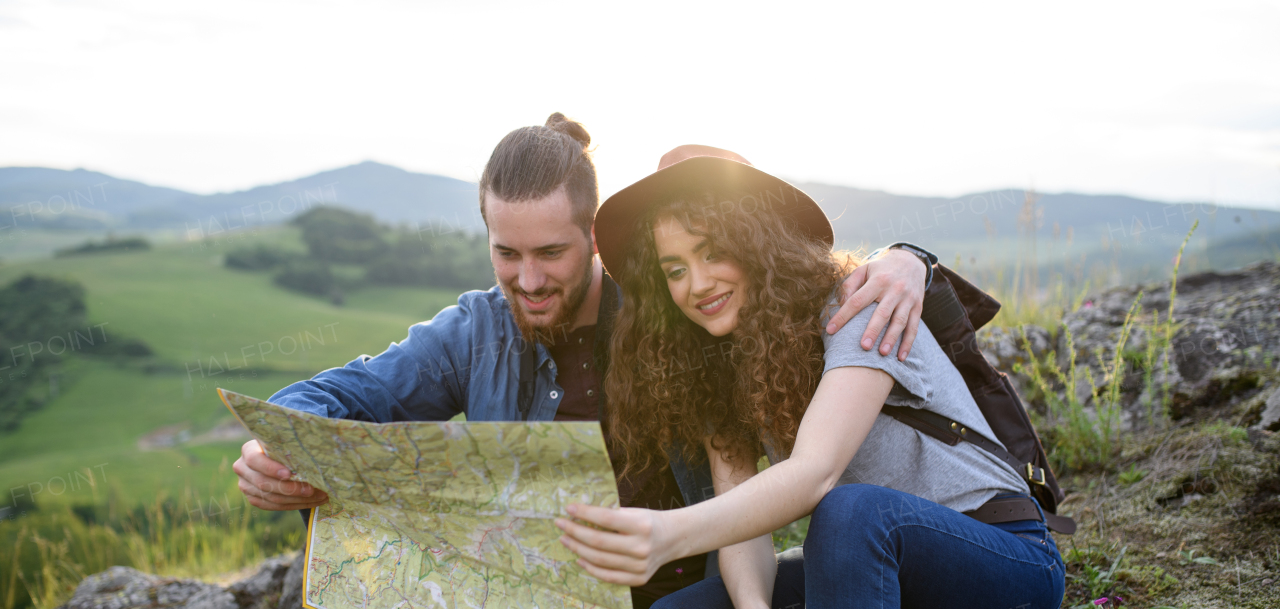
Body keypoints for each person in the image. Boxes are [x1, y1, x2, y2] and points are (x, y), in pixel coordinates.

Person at [231, 115, 938, 608]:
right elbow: (340, 395)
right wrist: (276, 447)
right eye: (507, 254)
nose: (529, 280)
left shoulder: (670, 311)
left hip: (667, 580)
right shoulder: (474, 329)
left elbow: (788, 272)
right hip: (520, 583)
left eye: (550, 254)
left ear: (593, 241)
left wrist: (909, 258)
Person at [555, 146, 1067, 609]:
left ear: (758, 244)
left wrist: (668, 532)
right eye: (675, 269)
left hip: (1002, 554)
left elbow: (814, 473)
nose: (698, 284)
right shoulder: (715, 372)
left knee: (850, 513)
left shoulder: (855, 306)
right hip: (864, 563)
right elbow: (742, 529)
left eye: (713, 252)